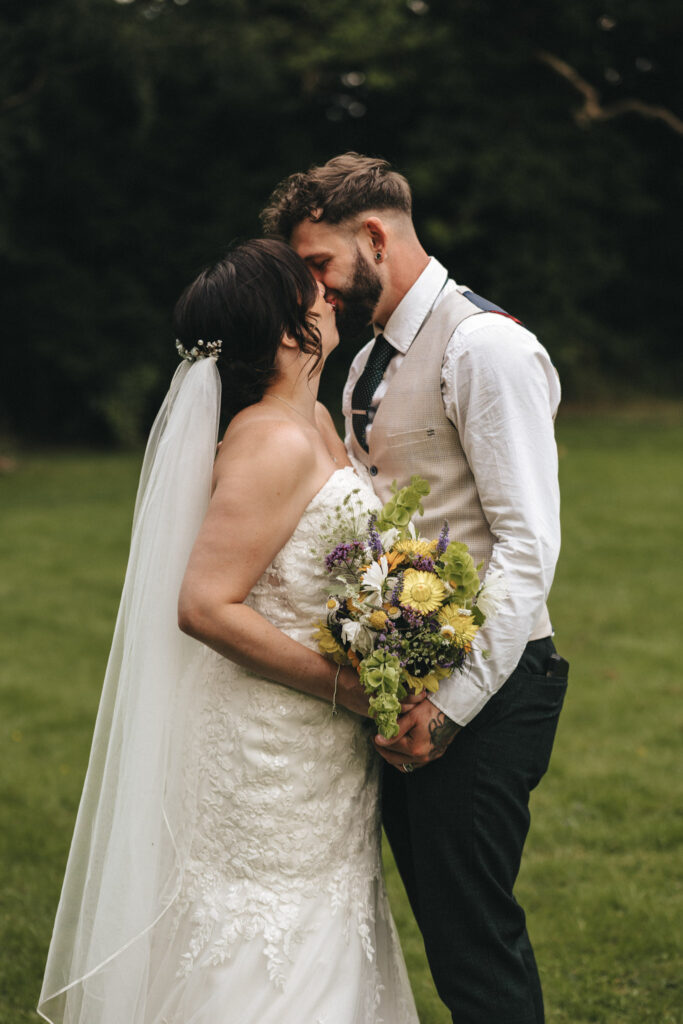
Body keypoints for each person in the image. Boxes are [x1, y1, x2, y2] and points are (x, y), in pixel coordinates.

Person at [38, 238, 419, 1024]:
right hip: (269, 735)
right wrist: (347, 686)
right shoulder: (271, 443)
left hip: (323, 748)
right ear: (288, 331)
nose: (326, 291)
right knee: (265, 923)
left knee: (327, 907)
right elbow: (205, 605)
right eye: (308, 287)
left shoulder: (311, 418)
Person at [261, 154, 569, 1024]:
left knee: (473, 941)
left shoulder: (486, 347)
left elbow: (525, 544)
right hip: (403, 684)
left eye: (317, 264)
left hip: (492, 689)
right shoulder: (363, 367)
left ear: (374, 236)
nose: (310, 288)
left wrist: (451, 704)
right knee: (441, 929)